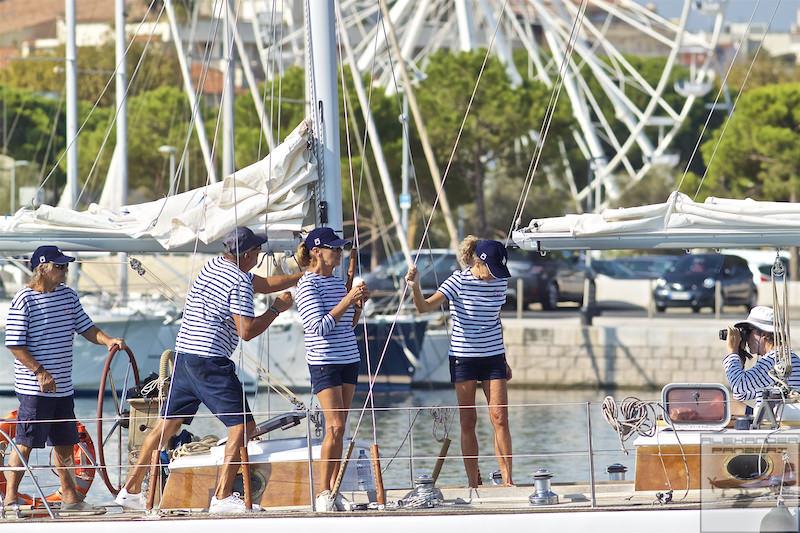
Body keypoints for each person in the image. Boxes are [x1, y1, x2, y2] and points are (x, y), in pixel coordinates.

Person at [115, 227, 299, 514]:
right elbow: (246, 331)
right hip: (210, 362)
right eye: (258, 252)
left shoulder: (215, 265)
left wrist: (302, 276)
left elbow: (261, 283)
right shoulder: (237, 281)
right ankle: (223, 497)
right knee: (241, 428)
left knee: (167, 424)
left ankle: (130, 489)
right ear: (247, 254)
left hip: (185, 358)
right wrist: (276, 309)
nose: (260, 256)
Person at [4, 246, 126, 515]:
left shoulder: (68, 297)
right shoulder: (24, 300)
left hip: (62, 389)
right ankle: (10, 498)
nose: (65, 270)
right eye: (60, 266)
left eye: (65, 266)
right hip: (35, 388)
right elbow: (14, 344)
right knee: (25, 441)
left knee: (65, 441)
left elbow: (86, 328)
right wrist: (40, 372)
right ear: (44, 268)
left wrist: (108, 341)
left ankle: (70, 497)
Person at [406, 236, 513, 487]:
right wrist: (415, 286)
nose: (496, 275)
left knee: (499, 417)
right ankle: (473, 482)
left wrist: (504, 360)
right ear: (480, 263)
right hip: (464, 356)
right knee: (468, 420)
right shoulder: (458, 281)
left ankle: (508, 481)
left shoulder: (499, 282)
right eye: (493, 270)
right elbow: (423, 308)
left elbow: (496, 320)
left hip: (493, 355)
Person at [294, 227, 369, 512]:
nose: (338, 253)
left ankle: (335, 490)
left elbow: (347, 324)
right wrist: (347, 300)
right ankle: (323, 492)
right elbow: (320, 327)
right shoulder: (306, 286)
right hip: (324, 361)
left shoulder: (338, 283)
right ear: (316, 252)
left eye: (340, 249)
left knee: (342, 429)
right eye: (333, 249)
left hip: (349, 358)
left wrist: (358, 304)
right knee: (334, 427)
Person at [724, 305, 800, 401]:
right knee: (732, 405)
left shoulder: (774, 359)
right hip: (778, 413)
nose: (746, 337)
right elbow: (740, 394)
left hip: (775, 415)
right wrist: (740, 358)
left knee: (723, 404)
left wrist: (732, 351)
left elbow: (738, 386)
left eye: (748, 331)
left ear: (764, 334)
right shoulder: (786, 356)